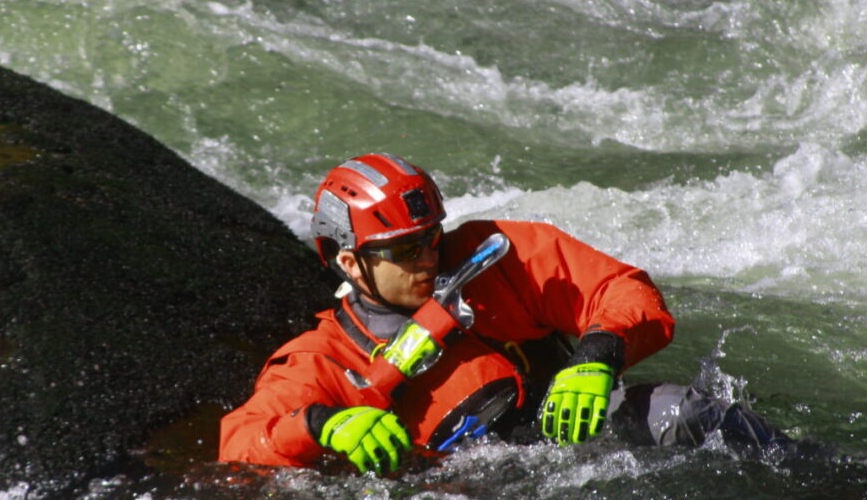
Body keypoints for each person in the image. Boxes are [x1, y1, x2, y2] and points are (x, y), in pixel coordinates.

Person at [219, 153, 784, 474]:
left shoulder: (494, 258)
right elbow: (240, 442)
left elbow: (622, 291)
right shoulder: (324, 357)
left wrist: (596, 359)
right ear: (351, 262)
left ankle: (805, 471)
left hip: (575, 437)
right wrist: (322, 423)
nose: (430, 258)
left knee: (684, 413)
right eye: (405, 250)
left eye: (431, 237)